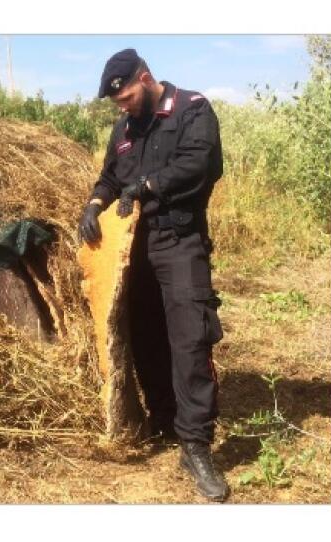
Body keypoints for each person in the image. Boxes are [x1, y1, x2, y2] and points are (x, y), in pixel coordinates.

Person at [77, 49, 228, 502]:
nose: (121, 105)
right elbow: (109, 177)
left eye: (124, 95)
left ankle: (196, 445)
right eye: (116, 101)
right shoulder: (123, 129)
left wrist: (147, 186)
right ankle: (163, 419)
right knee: (144, 336)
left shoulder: (191, 109)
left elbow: (200, 165)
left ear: (144, 78)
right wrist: (94, 204)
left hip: (179, 241)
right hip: (134, 250)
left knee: (190, 338)